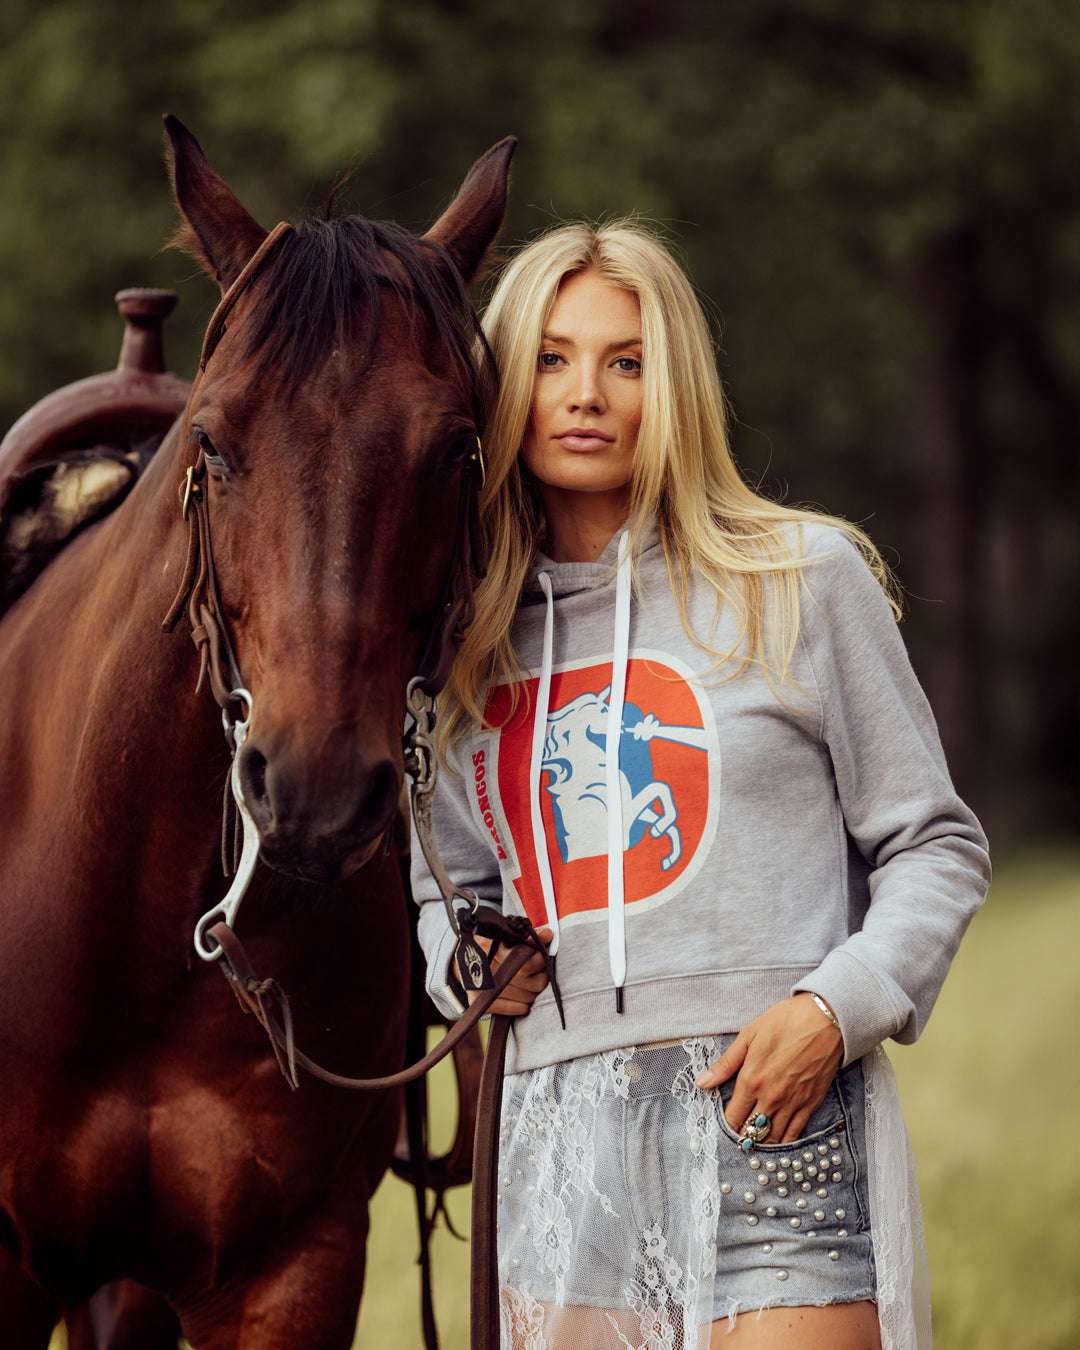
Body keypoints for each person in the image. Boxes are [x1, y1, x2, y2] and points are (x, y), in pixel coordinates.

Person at [410, 220, 991, 1350]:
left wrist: (836, 1007)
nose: (587, 393)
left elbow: (934, 843)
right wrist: (461, 962)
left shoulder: (798, 581)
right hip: (558, 1141)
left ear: (672, 383)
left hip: (771, 1117)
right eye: (551, 358)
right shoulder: (464, 646)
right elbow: (443, 888)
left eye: (626, 361)